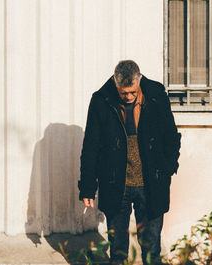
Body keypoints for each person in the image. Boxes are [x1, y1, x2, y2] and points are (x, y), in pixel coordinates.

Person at [78, 60, 181, 264]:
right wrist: (88, 188)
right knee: (118, 251)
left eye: (133, 92)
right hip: (116, 183)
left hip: (151, 182)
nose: (129, 97)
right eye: (124, 93)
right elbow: (91, 147)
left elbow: (170, 135)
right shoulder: (101, 100)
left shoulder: (156, 94)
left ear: (139, 79)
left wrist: (168, 167)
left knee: (152, 249)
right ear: (115, 84)